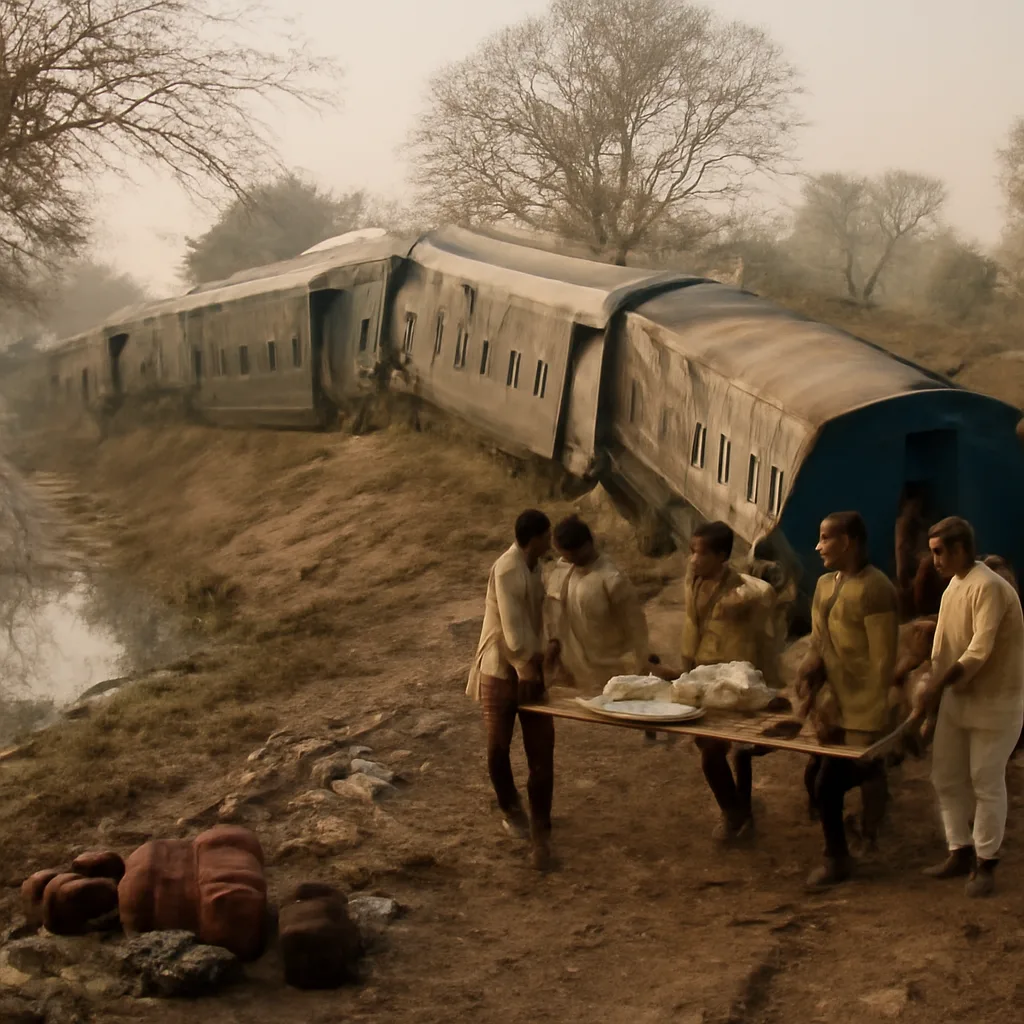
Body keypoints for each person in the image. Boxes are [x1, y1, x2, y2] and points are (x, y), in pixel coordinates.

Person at [918, 518, 1024, 897]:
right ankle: (959, 850)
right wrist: (932, 689)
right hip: (958, 699)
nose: (935, 560)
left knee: (985, 780)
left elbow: (979, 649)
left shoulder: (989, 587)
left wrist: (940, 683)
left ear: (960, 548)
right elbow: (942, 647)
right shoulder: (954, 587)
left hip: (996, 703)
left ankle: (986, 861)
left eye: (939, 552)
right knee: (946, 776)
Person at [656, 521, 779, 841]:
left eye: (701, 553)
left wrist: (767, 687)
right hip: (700, 678)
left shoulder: (745, 596)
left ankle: (734, 813)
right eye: (692, 551)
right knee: (715, 748)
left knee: (719, 752)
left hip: (733, 684)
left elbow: (765, 639)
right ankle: (740, 810)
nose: (693, 559)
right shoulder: (693, 579)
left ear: (722, 556)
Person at [803, 511, 899, 888]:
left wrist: (874, 718)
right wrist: (812, 678)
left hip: (865, 708)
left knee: (829, 784)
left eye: (826, 538)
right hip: (834, 704)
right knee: (825, 778)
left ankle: (839, 858)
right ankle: (864, 829)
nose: (819, 546)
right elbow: (818, 641)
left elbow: (883, 660)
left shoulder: (877, 589)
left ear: (849, 542)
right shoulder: (825, 584)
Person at [466, 508, 557, 871]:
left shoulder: (535, 568)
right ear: (533, 539)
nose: (550, 542)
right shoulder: (506, 569)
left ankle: (541, 827)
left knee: (542, 751)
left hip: (529, 669)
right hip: (501, 671)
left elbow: (538, 620)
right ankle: (511, 807)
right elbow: (513, 632)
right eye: (546, 536)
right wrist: (527, 668)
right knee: (498, 745)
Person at [543, 515, 651, 694]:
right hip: (573, 670)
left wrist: (639, 663)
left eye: (571, 555)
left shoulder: (611, 579)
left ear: (586, 546)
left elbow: (636, 627)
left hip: (610, 672)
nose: (567, 560)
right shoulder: (565, 570)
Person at [895, 486, 929, 620]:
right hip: (909, 578)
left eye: (918, 505)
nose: (916, 509)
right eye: (914, 505)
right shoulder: (904, 524)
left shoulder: (920, 525)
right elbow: (901, 550)